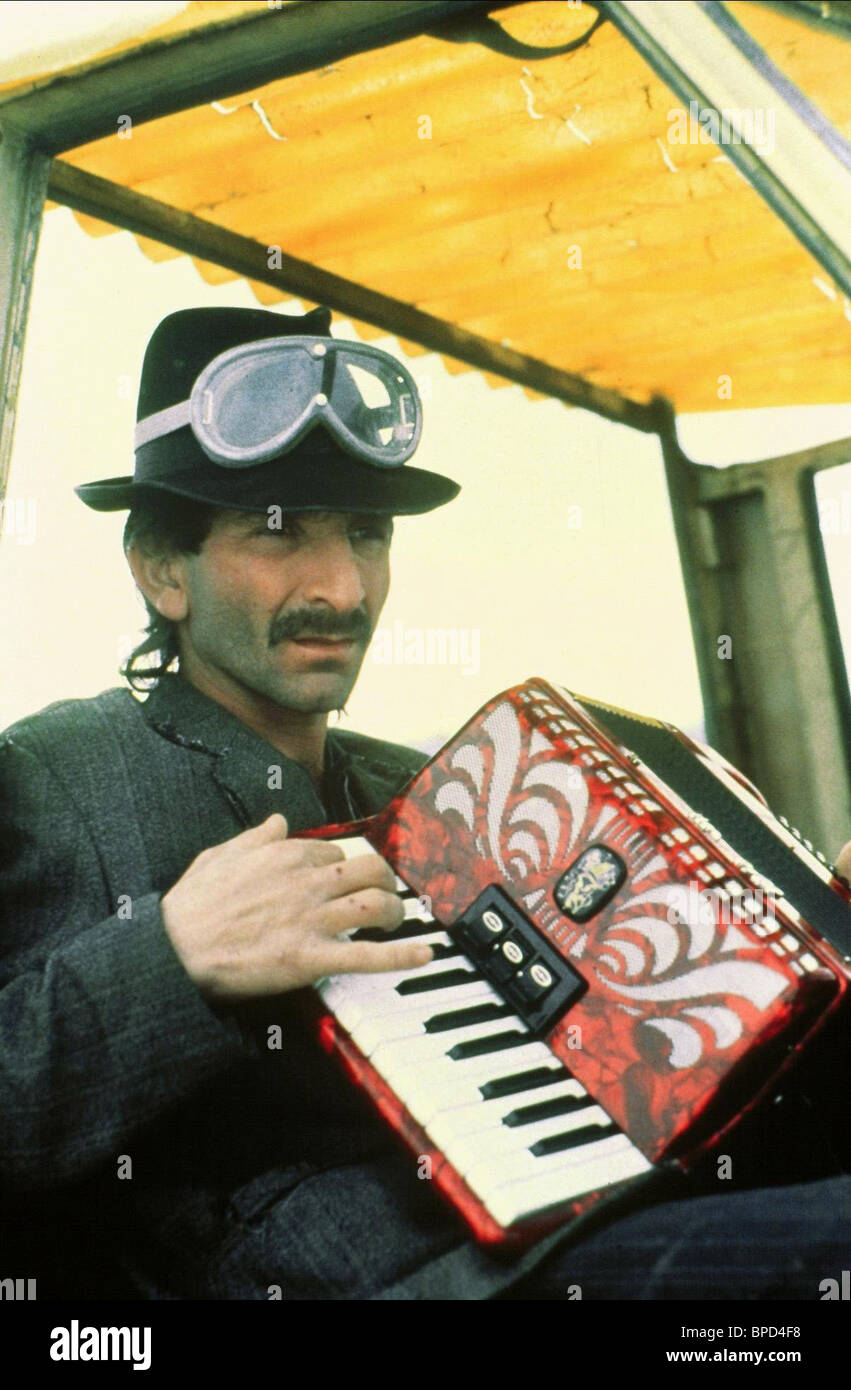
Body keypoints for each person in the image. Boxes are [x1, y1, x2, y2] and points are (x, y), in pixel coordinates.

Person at [1, 305, 849, 1301]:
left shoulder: (431, 785)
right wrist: (171, 955)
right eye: (277, 532)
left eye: (366, 533)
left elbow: (633, 1064)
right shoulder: (56, 772)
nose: (343, 587)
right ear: (160, 569)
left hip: (597, 1212)